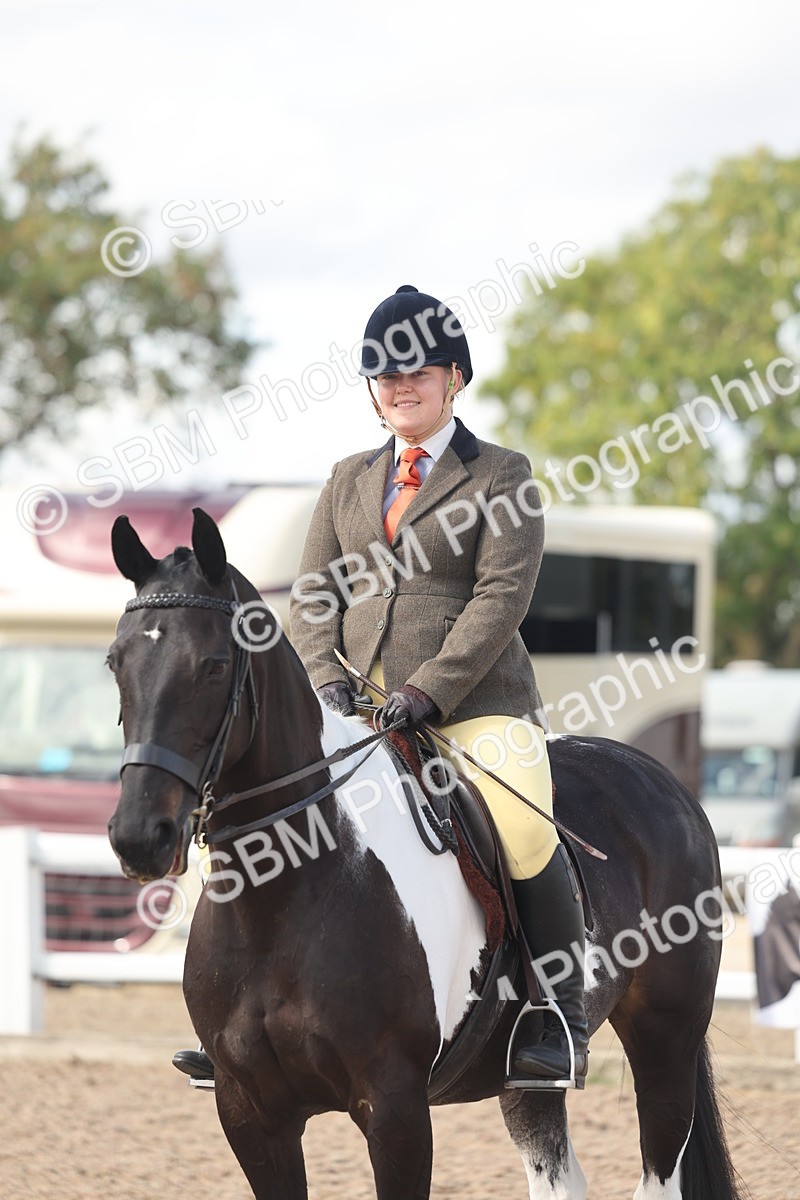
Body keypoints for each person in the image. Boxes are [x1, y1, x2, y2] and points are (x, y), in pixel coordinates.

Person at [173, 284, 588, 1087]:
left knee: (523, 821)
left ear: (455, 378)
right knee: (243, 815)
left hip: (472, 710)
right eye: (386, 377)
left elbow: (500, 599)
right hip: (354, 711)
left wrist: (429, 691)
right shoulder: (346, 480)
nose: (402, 388)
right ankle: (229, 1015)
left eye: (419, 373)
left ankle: (552, 1015)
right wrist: (326, 683)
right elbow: (315, 597)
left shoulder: (501, 475)